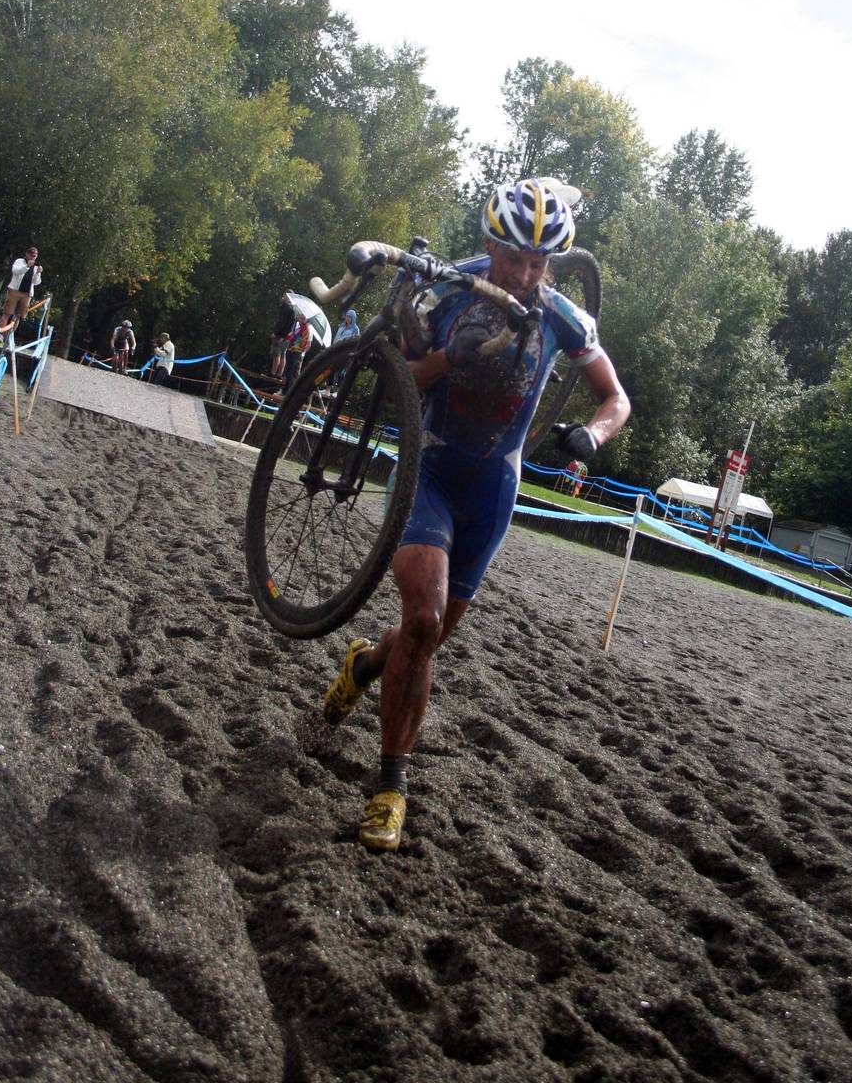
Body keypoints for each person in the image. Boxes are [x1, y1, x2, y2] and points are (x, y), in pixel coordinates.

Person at [322, 177, 630, 852]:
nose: (523, 276)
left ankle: (364, 667)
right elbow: (399, 382)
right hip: (429, 468)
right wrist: (442, 358)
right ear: (491, 243)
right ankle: (390, 788)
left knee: (421, 639)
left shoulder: (560, 316)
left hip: (495, 486)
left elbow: (616, 396)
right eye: (513, 258)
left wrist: (593, 436)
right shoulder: (450, 287)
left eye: (538, 264)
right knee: (425, 615)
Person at [1, 247, 42, 328]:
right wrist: (27, 266)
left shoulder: (36, 267)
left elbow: (36, 282)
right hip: (14, 291)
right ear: (27, 254)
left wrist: (38, 273)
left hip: (27, 294)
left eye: (34, 256)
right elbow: (15, 271)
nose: (32, 257)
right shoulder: (19, 261)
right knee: (7, 313)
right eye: (31, 255)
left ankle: (9, 336)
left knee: (18, 316)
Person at [283, 308, 311, 392]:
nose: (300, 319)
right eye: (300, 317)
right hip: (291, 349)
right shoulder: (298, 327)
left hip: (297, 352)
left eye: (302, 318)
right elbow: (293, 336)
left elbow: (303, 343)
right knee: (288, 370)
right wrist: (291, 337)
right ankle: (285, 389)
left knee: (292, 371)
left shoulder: (306, 329)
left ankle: (288, 390)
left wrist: (293, 337)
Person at [270, 293, 295, 379]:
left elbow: (281, 322)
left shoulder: (285, 308)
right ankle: (279, 374)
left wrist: (276, 333)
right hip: (287, 336)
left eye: (285, 296)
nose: (283, 297)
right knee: (283, 355)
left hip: (281, 335)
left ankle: (273, 373)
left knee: (277, 354)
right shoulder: (294, 309)